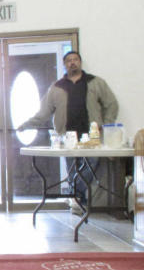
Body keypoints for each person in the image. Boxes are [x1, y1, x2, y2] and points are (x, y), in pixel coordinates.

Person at [19, 50, 119, 210]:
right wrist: (26, 125)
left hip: (91, 136)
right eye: (69, 60)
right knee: (72, 169)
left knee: (92, 164)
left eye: (75, 59)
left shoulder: (96, 82)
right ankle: (77, 200)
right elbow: (44, 113)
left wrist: (106, 126)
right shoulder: (57, 87)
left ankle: (75, 195)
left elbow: (111, 104)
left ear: (80, 62)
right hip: (67, 137)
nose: (72, 62)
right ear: (65, 65)